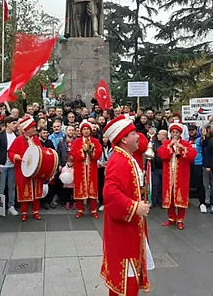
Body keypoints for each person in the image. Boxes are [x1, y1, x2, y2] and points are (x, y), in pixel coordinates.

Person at [100, 115, 153, 295]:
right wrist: (134, 207)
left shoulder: (125, 157)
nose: (138, 136)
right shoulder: (119, 160)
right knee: (126, 278)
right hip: (124, 231)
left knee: (128, 276)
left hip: (130, 228)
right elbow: (110, 193)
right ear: (123, 139)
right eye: (133, 133)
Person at [156, 121, 197, 230]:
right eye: (173, 132)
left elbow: (192, 155)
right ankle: (171, 218)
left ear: (180, 134)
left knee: (180, 196)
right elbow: (162, 155)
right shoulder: (166, 143)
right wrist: (169, 146)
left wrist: (182, 148)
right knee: (170, 197)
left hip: (181, 175)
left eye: (177, 132)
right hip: (169, 175)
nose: (175, 134)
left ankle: (180, 219)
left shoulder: (186, 143)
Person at [7, 116, 45, 221]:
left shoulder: (36, 139)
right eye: (32, 127)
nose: (34, 129)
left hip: (36, 170)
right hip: (23, 169)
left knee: (36, 191)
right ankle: (24, 212)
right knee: (24, 191)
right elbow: (10, 152)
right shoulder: (18, 139)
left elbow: (41, 151)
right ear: (27, 129)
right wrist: (16, 156)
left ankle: (36, 212)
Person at [70, 120, 103, 218]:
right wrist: (83, 151)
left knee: (92, 189)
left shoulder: (95, 141)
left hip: (92, 168)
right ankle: (80, 209)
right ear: (81, 131)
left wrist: (91, 152)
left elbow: (99, 153)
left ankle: (93, 210)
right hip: (80, 169)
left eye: (87, 129)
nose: (86, 131)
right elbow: (74, 154)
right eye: (84, 129)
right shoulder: (76, 142)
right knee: (80, 188)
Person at [0, 117, 20, 217]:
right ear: (7, 124)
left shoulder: (16, 136)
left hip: (13, 165)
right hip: (2, 165)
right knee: (1, 187)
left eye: (16, 123)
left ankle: (11, 206)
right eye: (13, 123)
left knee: (12, 186)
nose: (15, 125)